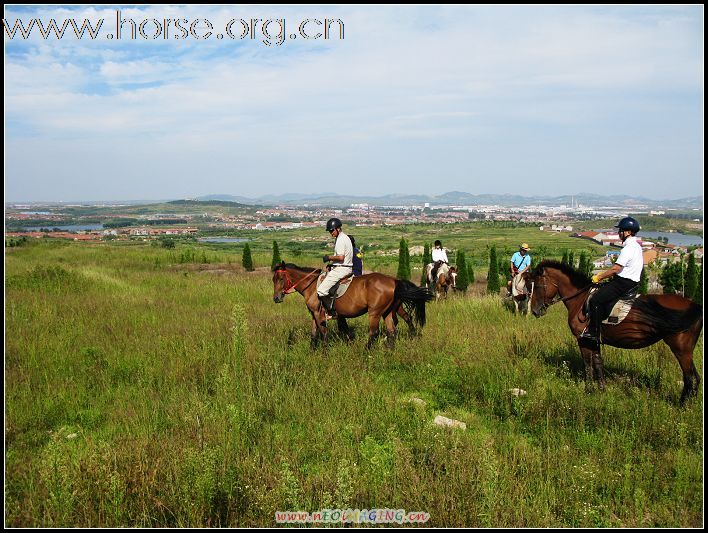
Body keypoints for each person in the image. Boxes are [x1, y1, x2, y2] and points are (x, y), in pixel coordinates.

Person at [580, 217, 643, 345]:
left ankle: (594, 332)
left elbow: (615, 268)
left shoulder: (628, 248)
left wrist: (599, 277)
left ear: (628, 232)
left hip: (623, 283)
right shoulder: (636, 246)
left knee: (595, 300)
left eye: (620, 230)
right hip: (630, 282)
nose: (619, 233)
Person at [317, 218, 353, 319]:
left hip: (342, 269)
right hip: (343, 267)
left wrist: (328, 258)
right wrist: (331, 264)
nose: (330, 233)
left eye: (332, 230)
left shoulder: (341, 239)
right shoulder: (343, 237)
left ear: (338, 229)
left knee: (321, 290)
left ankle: (332, 312)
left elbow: (341, 257)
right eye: (329, 231)